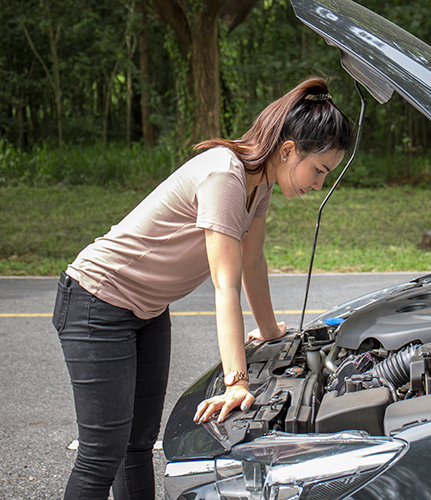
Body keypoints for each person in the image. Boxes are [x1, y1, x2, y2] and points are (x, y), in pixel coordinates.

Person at [51, 76, 352, 500]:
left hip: (148, 310)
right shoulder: (224, 175)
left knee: (136, 448)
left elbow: (253, 261)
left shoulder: (260, 183)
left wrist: (269, 331)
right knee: (102, 455)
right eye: (319, 170)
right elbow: (225, 285)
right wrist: (237, 381)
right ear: (288, 151)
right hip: (96, 302)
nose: (319, 184)